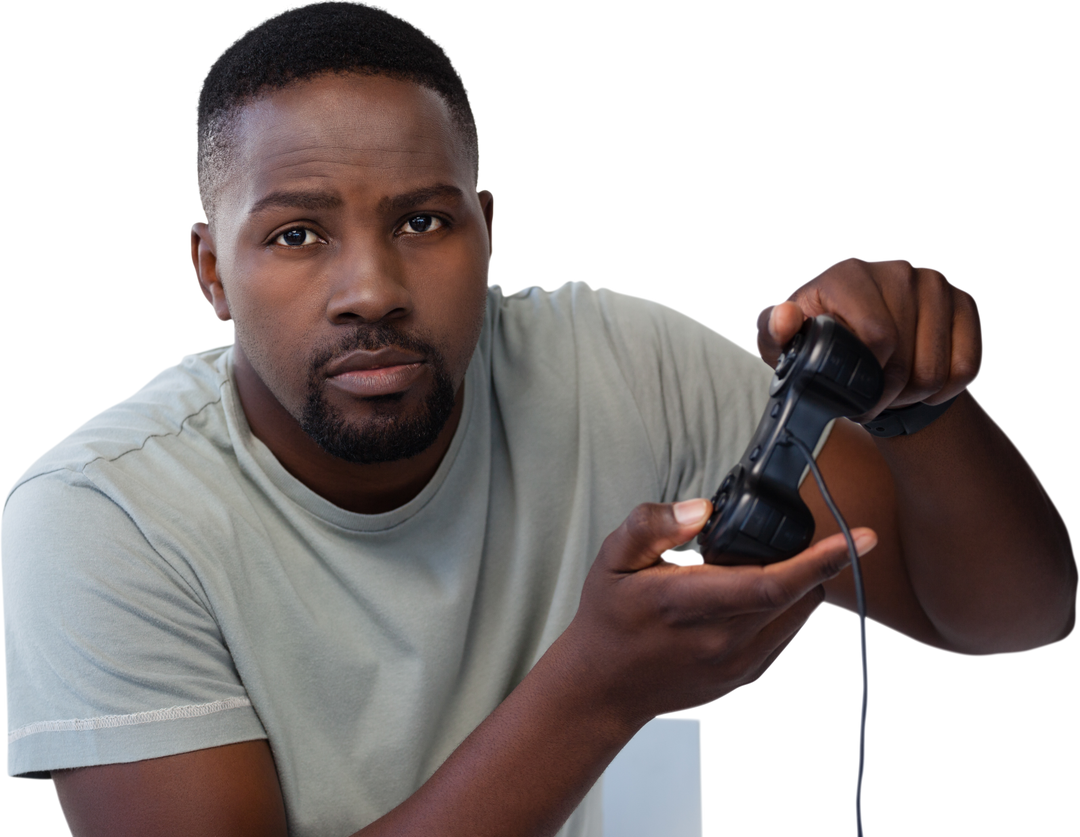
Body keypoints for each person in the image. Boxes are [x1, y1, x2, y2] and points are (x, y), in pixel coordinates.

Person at [1, 2, 1075, 836]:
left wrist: (924, 408)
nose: (370, 288)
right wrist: (596, 691)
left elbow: (1012, 617)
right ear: (208, 270)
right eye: (295, 236)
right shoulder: (102, 511)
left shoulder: (618, 360)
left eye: (423, 219)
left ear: (487, 230)